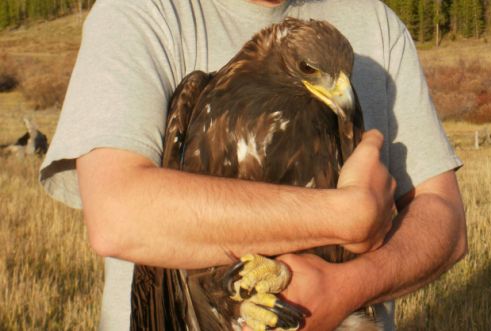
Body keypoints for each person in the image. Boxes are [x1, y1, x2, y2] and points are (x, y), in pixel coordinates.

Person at [39, 0, 467, 330]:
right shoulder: (139, 13)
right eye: (312, 73)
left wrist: (344, 289)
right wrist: (349, 216)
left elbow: (445, 223)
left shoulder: (376, 22)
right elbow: (119, 215)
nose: (340, 92)